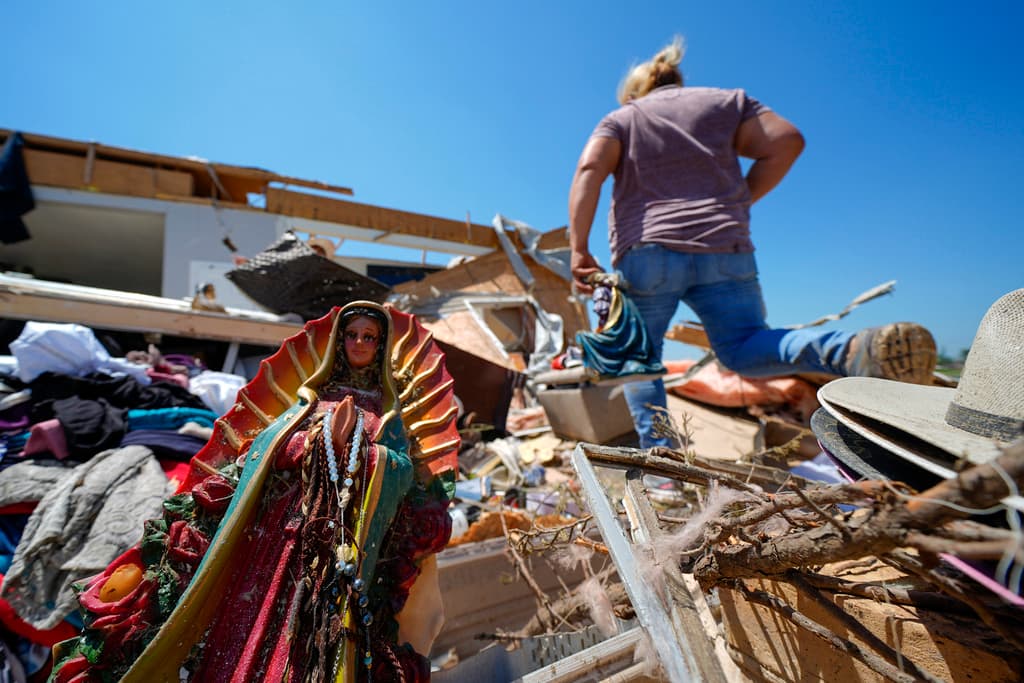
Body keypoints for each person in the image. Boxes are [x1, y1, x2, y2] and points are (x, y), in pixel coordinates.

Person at [51, 301, 457, 683]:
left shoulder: (387, 412)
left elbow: (402, 472)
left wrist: (367, 454)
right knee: (251, 615)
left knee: (318, 630)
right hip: (279, 536)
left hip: (343, 542)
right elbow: (266, 447)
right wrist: (314, 442)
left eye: (370, 337)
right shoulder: (310, 399)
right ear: (339, 340)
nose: (359, 344)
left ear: (381, 345)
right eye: (352, 334)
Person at [569, 37, 936, 449]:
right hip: (726, 247)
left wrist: (579, 249)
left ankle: (665, 468)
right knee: (745, 347)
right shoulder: (726, 103)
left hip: (648, 250)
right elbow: (787, 141)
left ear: (635, 92)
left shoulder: (623, 118)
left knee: (639, 361)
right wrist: (739, 199)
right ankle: (851, 349)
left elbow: (589, 168)